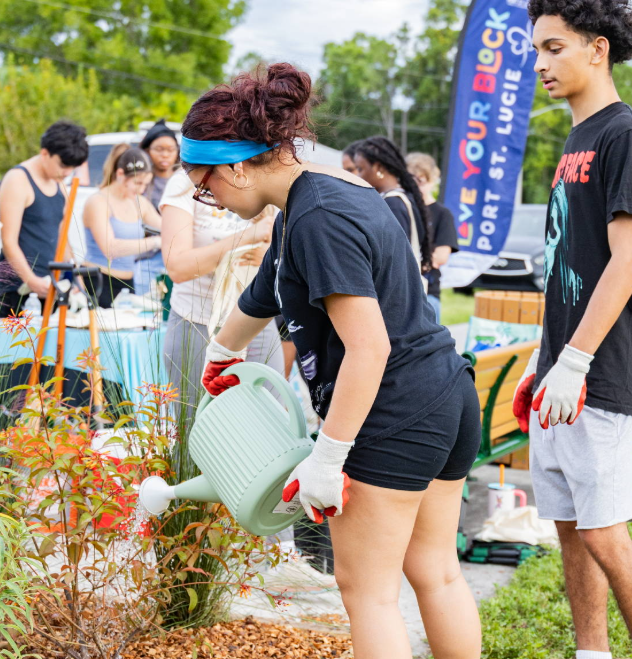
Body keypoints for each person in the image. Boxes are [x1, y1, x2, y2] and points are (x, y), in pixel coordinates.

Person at [190, 63, 481, 659]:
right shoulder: (318, 198)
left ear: (238, 166)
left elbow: (369, 348)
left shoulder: (317, 218)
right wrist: (224, 348)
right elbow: (266, 290)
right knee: (436, 571)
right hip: (446, 392)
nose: (209, 200)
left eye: (205, 184)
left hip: (394, 409)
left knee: (368, 593)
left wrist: (329, 456)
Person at [511, 0, 632, 659]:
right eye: (536, 50)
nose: (541, 64)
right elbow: (566, 262)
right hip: (562, 368)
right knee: (571, 525)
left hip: (601, 372)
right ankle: (591, 652)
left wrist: (575, 362)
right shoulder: (579, 138)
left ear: (597, 49)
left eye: (554, 48)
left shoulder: (625, 136)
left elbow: (629, 260)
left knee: (604, 530)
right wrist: (543, 358)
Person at [158, 150, 279, 417]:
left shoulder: (260, 173)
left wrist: (270, 256)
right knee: (199, 425)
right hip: (197, 322)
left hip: (257, 321)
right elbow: (178, 268)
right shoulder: (185, 182)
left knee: (270, 421)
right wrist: (246, 237)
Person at [0, 120, 88, 317]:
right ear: (45, 153)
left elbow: (61, 234)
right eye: (63, 166)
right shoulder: (18, 179)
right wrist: (31, 280)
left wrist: (74, 275)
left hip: (52, 283)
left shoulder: (58, 181)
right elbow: (8, 240)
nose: (67, 173)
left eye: (71, 168)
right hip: (18, 287)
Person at [81, 146, 162, 308]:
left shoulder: (138, 202)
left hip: (127, 283)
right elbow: (110, 249)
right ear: (120, 175)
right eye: (137, 183)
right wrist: (155, 242)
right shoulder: (98, 202)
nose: (141, 189)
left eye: (145, 184)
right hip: (98, 281)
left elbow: (168, 228)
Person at [352, 137, 434, 287]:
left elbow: (394, 259)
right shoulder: (402, 198)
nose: (357, 175)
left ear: (378, 168)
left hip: (393, 293)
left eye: (360, 169)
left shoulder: (393, 204)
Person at [407, 152, 458, 323]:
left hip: (427, 292)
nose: (415, 186)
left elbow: (441, 257)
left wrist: (408, 267)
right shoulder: (401, 207)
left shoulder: (442, 214)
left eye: (420, 181)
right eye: (411, 181)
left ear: (432, 180)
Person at [139, 119, 181, 211]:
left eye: (170, 150)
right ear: (147, 151)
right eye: (159, 149)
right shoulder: (141, 181)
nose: (165, 155)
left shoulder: (184, 179)